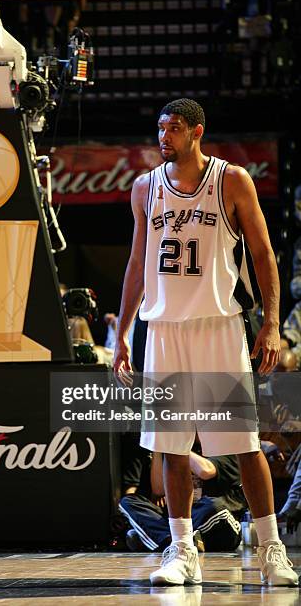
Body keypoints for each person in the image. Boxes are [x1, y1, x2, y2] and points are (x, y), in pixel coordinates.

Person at [113, 98, 298, 586]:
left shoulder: (231, 180)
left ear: (197, 132)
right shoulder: (144, 188)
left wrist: (271, 322)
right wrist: (123, 335)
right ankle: (180, 550)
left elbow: (262, 253)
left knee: (242, 445)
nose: (163, 136)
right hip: (165, 330)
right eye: (159, 128)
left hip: (218, 324)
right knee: (172, 448)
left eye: (173, 128)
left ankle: (271, 551)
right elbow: (137, 265)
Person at [120, 449, 246, 554]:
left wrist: (175, 444)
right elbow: (159, 489)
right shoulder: (171, 449)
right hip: (182, 520)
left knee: (213, 507)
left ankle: (157, 538)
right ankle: (173, 541)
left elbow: (205, 471)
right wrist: (159, 448)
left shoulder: (225, 447)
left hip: (217, 520)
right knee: (129, 502)